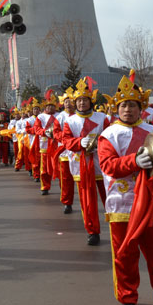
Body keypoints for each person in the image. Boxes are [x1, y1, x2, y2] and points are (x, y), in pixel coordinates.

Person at [97, 74, 153, 305]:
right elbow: (108, 167)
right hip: (122, 203)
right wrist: (135, 161)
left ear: (140, 108)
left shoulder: (152, 131)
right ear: (116, 108)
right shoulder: (108, 135)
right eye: (123, 105)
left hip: (152, 202)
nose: (127, 109)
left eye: (132, 105)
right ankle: (127, 296)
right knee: (125, 255)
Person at [62, 78, 109, 245]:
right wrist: (79, 143)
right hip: (80, 165)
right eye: (79, 100)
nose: (82, 103)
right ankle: (92, 231)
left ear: (91, 101)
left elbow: (111, 137)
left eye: (85, 100)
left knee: (111, 197)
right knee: (87, 202)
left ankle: (118, 224)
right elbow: (66, 140)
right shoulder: (70, 121)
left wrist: (100, 145)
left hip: (103, 164)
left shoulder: (103, 118)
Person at [54, 87, 75, 213]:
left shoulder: (79, 115)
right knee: (66, 178)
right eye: (66, 101)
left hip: (79, 151)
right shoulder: (60, 117)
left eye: (71, 101)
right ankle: (67, 202)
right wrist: (66, 139)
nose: (68, 103)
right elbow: (56, 132)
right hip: (64, 151)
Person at [34, 90, 60, 195]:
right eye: (48, 106)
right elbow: (37, 129)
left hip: (58, 145)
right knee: (44, 168)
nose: (50, 108)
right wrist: (46, 132)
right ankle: (45, 186)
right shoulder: (40, 117)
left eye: (52, 106)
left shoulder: (60, 115)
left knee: (61, 168)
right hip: (44, 145)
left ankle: (64, 188)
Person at [25, 98, 42, 181]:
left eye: (37, 109)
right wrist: (35, 130)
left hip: (42, 141)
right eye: (34, 109)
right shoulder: (30, 119)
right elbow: (27, 130)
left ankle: (42, 173)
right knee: (35, 159)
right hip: (33, 141)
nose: (36, 110)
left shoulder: (42, 117)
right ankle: (36, 175)